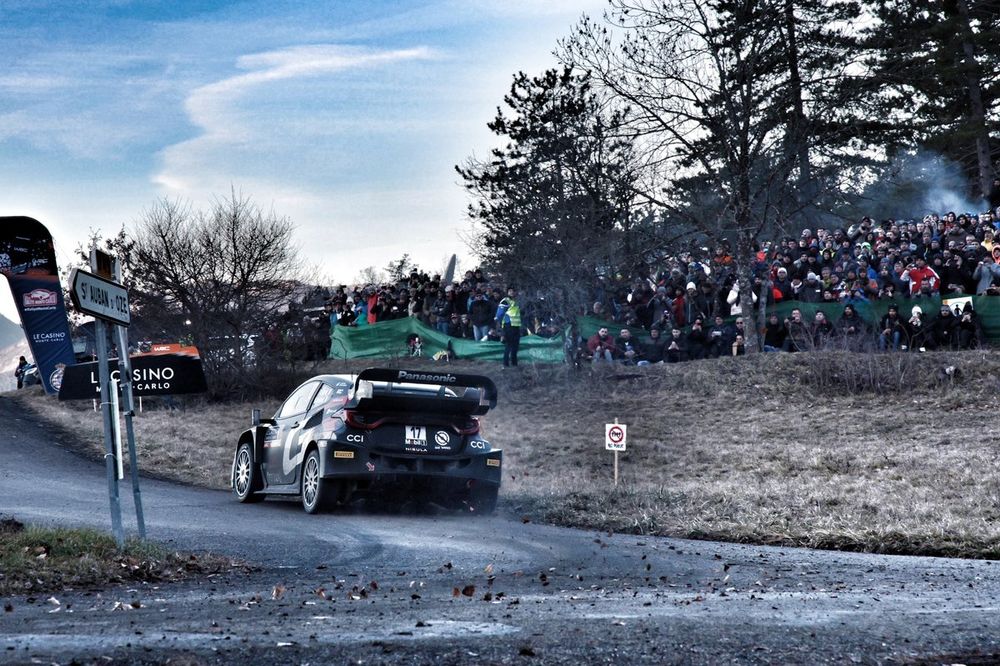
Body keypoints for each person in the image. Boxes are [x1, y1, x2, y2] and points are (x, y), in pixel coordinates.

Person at [495, 287, 522, 368]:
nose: (512, 292)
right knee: (509, 345)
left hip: (516, 326)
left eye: (513, 290)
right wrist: (501, 329)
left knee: (515, 346)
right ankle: (505, 364)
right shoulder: (505, 301)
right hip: (508, 326)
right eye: (510, 291)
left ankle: (514, 364)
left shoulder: (517, 301)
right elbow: (499, 315)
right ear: (507, 292)